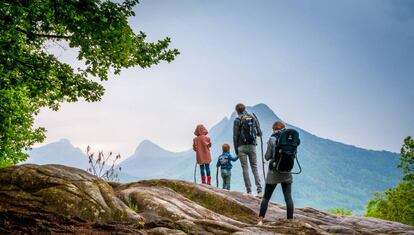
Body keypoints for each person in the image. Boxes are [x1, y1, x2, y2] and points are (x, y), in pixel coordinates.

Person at [257, 121, 294, 225]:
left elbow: (267, 156)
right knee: (288, 198)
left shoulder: (273, 138)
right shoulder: (290, 138)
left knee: (266, 197)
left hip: (274, 171)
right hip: (287, 171)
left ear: (274, 129)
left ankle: (260, 220)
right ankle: (290, 221)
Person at [233, 103, 263, 196]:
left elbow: (235, 136)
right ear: (245, 109)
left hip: (241, 147)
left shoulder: (237, 120)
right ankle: (259, 190)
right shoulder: (252, 117)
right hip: (252, 146)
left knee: (245, 168)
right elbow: (260, 133)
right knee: (254, 167)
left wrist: (236, 150)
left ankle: (249, 191)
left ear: (236, 111)